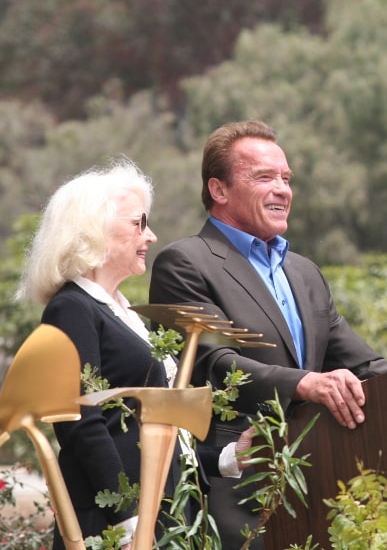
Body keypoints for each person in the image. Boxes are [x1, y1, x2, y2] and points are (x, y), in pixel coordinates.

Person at [149, 120, 387, 549]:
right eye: (264, 177)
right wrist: (304, 383)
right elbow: (213, 364)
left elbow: (366, 365)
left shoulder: (304, 273)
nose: (282, 189)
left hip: (314, 489)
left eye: (286, 178)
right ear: (219, 190)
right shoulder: (185, 262)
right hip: (232, 490)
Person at [16, 158, 253, 550]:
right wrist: (127, 520)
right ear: (93, 229)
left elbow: (155, 435)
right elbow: (81, 422)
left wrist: (227, 457)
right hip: (118, 526)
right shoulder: (72, 308)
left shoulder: (124, 314)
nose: (151, 236)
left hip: (164, 518)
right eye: (138, 223)